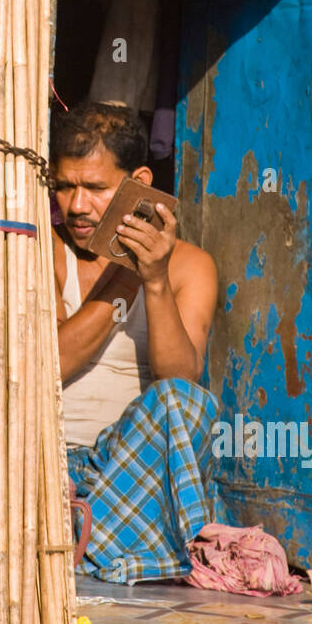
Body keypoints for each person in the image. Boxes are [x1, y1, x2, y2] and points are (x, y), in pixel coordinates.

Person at [50, 100, 219, 582]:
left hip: (132, 474)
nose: (77, 206)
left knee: (181, 401)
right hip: (53, 465)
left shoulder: (190, 265)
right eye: (64, 186)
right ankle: (104, 543)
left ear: (138, 186)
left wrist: (156, 280)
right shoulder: (46, 251)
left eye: (96, 188)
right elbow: (51, 363)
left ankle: (91, 540)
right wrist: (126, 271)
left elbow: (179, 382)